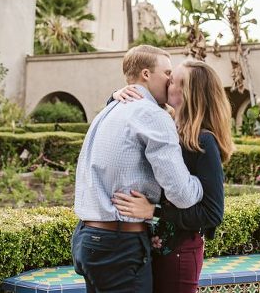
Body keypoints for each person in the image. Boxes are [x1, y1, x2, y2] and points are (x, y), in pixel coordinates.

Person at [72, 45, 203, 293]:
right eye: (166, 73)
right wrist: (200, 184)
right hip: (119, 245)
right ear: (145, 74)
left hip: (88, 239)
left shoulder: (109, 109)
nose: (171, 79)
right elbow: (182, 195)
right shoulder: (152, 115)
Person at [111, 60, 235, 293]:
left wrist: (153, 212)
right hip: (152, 250)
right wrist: (117, 95)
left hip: (179, 254)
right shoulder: (165, 126)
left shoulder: (203, 140)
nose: (168, 83)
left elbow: (213, 213)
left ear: (191, 93)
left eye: (176, 81)